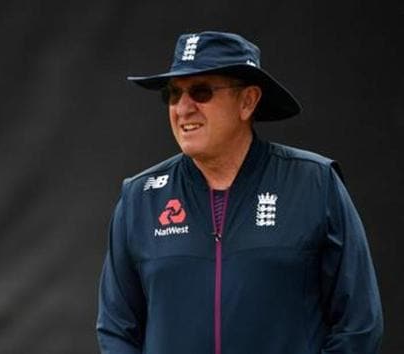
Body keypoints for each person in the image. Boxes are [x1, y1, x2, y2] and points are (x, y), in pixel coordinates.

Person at [96, 31, 383, 354]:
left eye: (201, 92)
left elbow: (359, 323)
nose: (182, 108)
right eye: (173, 95)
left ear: (247, 101)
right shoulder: (140, 197)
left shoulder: (315, 183)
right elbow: (116, 329)